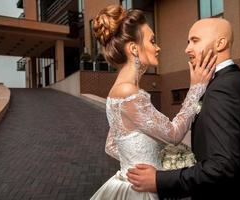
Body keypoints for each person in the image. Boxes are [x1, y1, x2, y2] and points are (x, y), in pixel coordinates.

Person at [127, 18, 240, 200]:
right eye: (188, 42)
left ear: (220, 43)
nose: (187, 49)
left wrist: (159, 180)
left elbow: (222, 167)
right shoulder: (228, 81)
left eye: (195, 40)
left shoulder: (222, 90)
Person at [90, 5, 216, 200]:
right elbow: (173, 134)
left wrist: (137, 163)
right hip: (141, 192)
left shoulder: (118, 90)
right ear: (133, 48)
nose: (158, 47)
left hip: (128, 183)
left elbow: (112, 145)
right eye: (152, 40)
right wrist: (196, 88)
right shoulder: (129, 93)